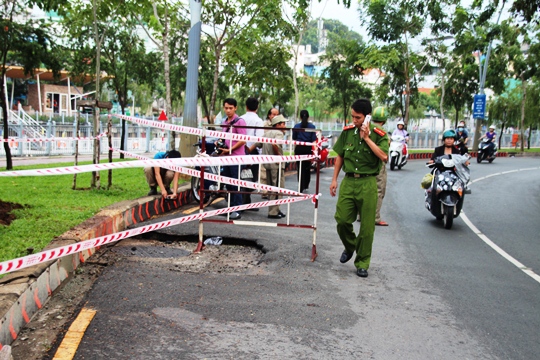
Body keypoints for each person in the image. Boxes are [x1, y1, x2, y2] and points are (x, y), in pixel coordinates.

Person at [330, 99, 389, 278]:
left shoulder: (379, 134)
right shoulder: (347, 132)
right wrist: (334, 180)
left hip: (368, 182)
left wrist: (367, 138)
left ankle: (362, 262)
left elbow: (384, 156)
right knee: (342, 220)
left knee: (367, 227)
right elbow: (340, 156)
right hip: (349, 182)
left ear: (367, 117)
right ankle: (350, 246)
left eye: (358, 117)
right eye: (353, 117)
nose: (354, 120)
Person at [358, 106, 390, 226]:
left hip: (363, 164)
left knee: (363, 189)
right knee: (378, 190)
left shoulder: (366, 128)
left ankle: (361, 215)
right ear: (385, 119)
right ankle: (375, 217)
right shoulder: (382, 133)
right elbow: (384, 153)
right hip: (377, 164)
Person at [216, 98, 247, 220]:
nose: (228, 110)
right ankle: (230, 208)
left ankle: (238, 209)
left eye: (230, 108)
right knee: (228, 184)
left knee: (236, 184)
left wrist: (230, 149)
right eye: (226, 108)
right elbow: (223, 138)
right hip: (226, 158)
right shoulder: (224, 122)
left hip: (237, 158)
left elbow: (243, 140)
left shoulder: (240, 121)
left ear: (235, 108)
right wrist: (219, 144)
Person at [258, 115, 288, 219]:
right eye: (283, 124)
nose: (285, 126)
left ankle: (275, 209)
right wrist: (278, 155)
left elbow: (257, 144)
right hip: (276, 165)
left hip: (267, 165)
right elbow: (275, 144)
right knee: (278, 188)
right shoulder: (279, 133)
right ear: (278, 125)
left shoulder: (266, 134)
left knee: (271, 188)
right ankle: (273, 212)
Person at [241, 97, 265, 210]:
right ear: (257, 107)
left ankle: (246, 200)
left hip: (241, 150)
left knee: (243, 176)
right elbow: (259, 139)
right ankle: (245, 200)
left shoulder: (240, 119)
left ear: (246, 106)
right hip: (252, 151)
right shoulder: (258, 121)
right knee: (252, 177)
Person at [293, 110, 317, 193]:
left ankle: (300, 186)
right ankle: (306, 184)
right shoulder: (312, 127)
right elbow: (313, 139)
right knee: (307, 168)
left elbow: (294, 138)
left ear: (300, 117)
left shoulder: (296, 126)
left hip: (299, 149)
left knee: (299, 168)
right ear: (308, 117)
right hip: (308, 149)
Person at [260, 108, 279, 199]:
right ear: (269, 115)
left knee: (273, 174)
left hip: (274, 152)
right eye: (273, 114)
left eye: (277, 114)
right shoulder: (265, 125)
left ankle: (272, 191)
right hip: (266, 151)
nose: (275, 116)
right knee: (264, 173)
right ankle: (265, 191)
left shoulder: (278, 126)